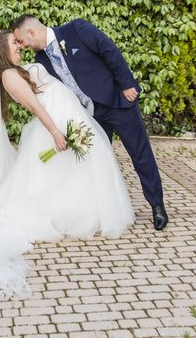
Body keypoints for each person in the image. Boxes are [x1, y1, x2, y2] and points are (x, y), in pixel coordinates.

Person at [0, 31, 134, 303]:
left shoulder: (17, 70)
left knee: (71, 174)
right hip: (54, 124)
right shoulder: (8, 76)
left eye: (18, 43)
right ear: (2, 51)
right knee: (55, 178)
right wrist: (55, 132)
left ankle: (79, 211)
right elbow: (35, 106)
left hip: (67, 116)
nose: (18, 47)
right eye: (13, 44)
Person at [12, 15, 169, 230]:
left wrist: (127, 84)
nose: (23, 46)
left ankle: (157, 206)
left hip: (116, 102)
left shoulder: (76, 29)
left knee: (140, 154)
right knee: (99, 161)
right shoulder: (41, 60)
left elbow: (109, 50)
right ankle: (105, 210)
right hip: (89, 115)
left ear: (31, 32)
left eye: (21, 41)